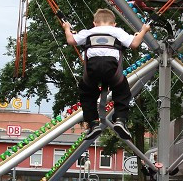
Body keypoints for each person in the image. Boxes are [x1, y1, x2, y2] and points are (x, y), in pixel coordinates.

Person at [63, 9, 150, 141]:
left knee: (87, 93)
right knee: (122, 91)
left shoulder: (88, 32)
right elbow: (135, 43)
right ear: (114, 24)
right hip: (112, 70)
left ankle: (93, 123)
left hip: (92, 71)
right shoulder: (118, 32)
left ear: (94, 23)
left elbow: (70, 40)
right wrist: (143, 30)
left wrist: (67, 28)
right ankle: (120, 120)